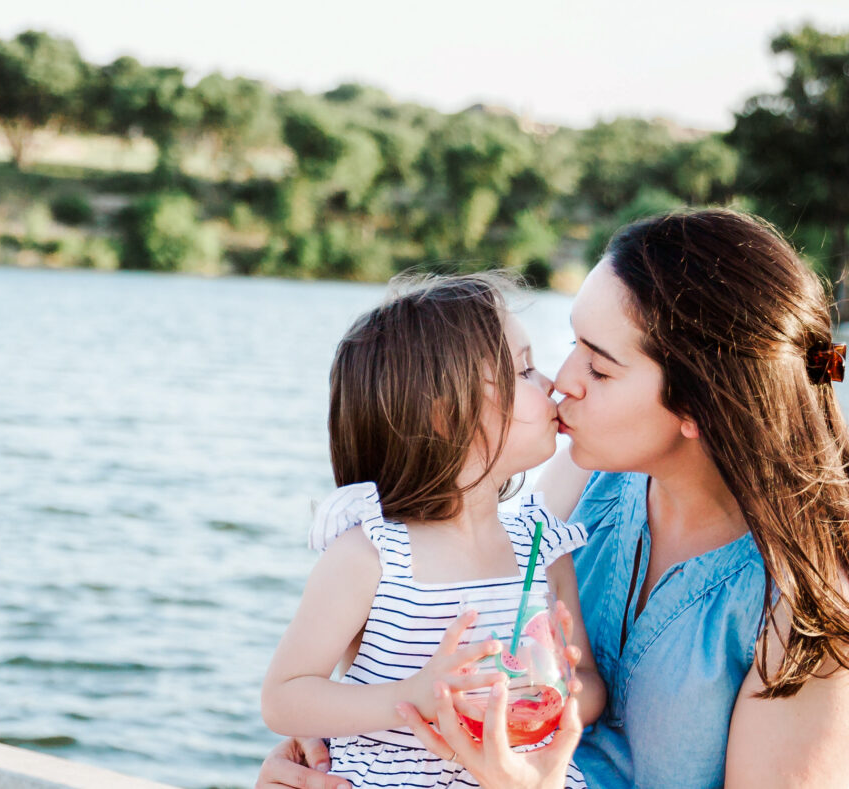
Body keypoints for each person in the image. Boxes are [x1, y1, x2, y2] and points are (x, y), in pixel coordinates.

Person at [256, 209, 849, 789]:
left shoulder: (812, 609)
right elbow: (369, 666)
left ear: (698, 405)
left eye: (600, 366)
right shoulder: (583, 484)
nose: (562, 380)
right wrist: (322, 748)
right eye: (571, 344)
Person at [259, 273, 606, 789]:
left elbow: (591, 685)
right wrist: (415, 697)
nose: (551, 382)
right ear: (447, 414)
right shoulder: (372, 556)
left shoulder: (543, 546)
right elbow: (284, 698)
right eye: (524, 370)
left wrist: (555, 687)